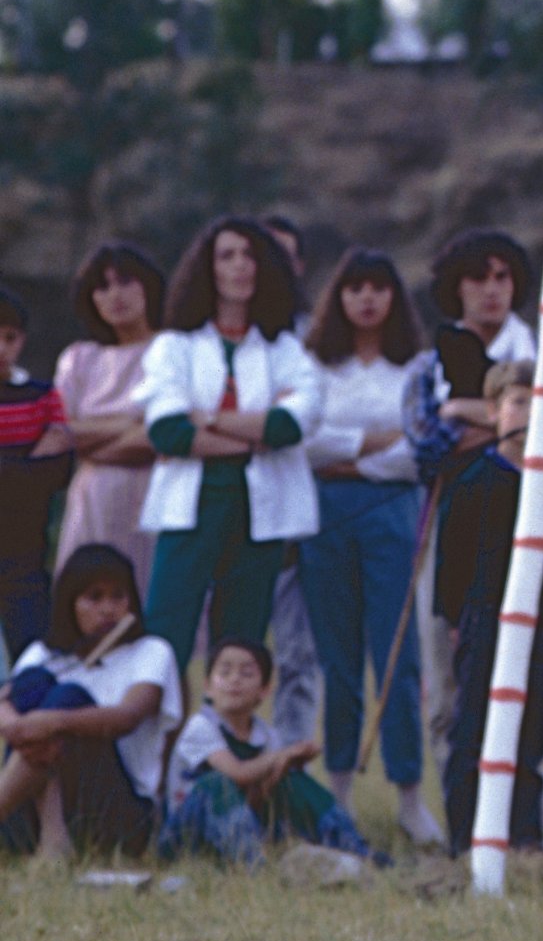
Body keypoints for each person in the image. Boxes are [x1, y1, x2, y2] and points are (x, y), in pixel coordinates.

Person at [299, 248, 441, 847]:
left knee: (397, 657)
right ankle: (338, 795)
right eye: (354, 287)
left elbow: (417, 448)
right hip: (325, 516)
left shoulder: (417, 367)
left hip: (393, 514)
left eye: (378, 288)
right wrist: (372, 443)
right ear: (339, 296)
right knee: (338, 659)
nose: (366, 299)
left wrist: (348, 451)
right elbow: (304, 445)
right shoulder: (314, 366)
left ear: (393, 299)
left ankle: (409, 795)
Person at [140, 218, 324, 671]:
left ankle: (223, 740)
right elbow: (169, 432)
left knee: (240, 647)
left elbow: (291, 427)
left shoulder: (286, 350)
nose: (240, 266)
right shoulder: (174, 347)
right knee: (165, 640)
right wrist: (252, 433)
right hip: (191, 509)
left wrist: (211, 420)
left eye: (250, 256)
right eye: (227, 256)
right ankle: (159, 741)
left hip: (259, 514)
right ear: (208, 268)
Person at [402, 228, 536, 780]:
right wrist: (502, 421)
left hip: (531, 524)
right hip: (451, 524)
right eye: (478, 278)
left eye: (502, 277)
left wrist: (462, 409)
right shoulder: (428, 365)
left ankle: (542, 814)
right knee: (446, 664)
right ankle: (459, 799)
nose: (491, 290)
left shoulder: (540, 353)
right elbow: (428, 445)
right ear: (455, 288)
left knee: (539, 672)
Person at [0, 542, 181, 858]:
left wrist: (54, 721)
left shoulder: (151, 651)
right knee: (33, 684)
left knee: (67, 698)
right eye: (94, 597)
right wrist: (18, 726)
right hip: (27, 817)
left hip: (115, 816)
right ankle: (52, 835)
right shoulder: (43, 654)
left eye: (118, 596)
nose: (108, 608)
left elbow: (128, 716)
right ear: (71, 603)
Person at [441, 359, 540, 856]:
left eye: (538, 402)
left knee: (533, 726)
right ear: (494, 410)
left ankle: (524, 833)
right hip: (482, 616)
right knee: (473, 724)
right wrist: (456, 615)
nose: (528, 412)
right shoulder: (474, 480)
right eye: (518, 401)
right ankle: (465, 834)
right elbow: (452, 558)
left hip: (537, 621)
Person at [162, 636, 370, 869]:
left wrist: (284, 767)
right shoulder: (200, 726)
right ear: (208, 687)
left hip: (239, 824)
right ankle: (253, 864)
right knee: (217, 784)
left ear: (264, 691)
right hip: (186, 833)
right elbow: (237, 773)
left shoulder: (267, 735)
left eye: (247, 674)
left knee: (296, 782)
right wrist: (281, 757)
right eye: (225, 672)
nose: (235, 680)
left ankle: (354, 848)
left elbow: (257, 797)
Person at [53, 242, 165, 593]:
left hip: (154, 496)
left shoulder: (170, 351)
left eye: (126, 281)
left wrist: (91, 442)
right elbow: (59, 431)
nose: (115, 295)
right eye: (103, 286)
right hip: (93, 500)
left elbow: (161, 433)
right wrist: (129, 423)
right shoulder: (80, 358)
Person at [259, 213, 324, 750]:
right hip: (231, 507)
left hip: (301, 510)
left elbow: (315, 424)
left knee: (298, 652)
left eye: (287, 255)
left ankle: (288, 764)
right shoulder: (211, 339)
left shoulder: (317, 337)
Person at [0, 284, 73, 670]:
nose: (0, 348)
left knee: (31, 656)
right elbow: (38, 468)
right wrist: (27, 463)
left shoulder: (41, 395)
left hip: (26, 551)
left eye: (8, 338)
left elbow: (58, 468)